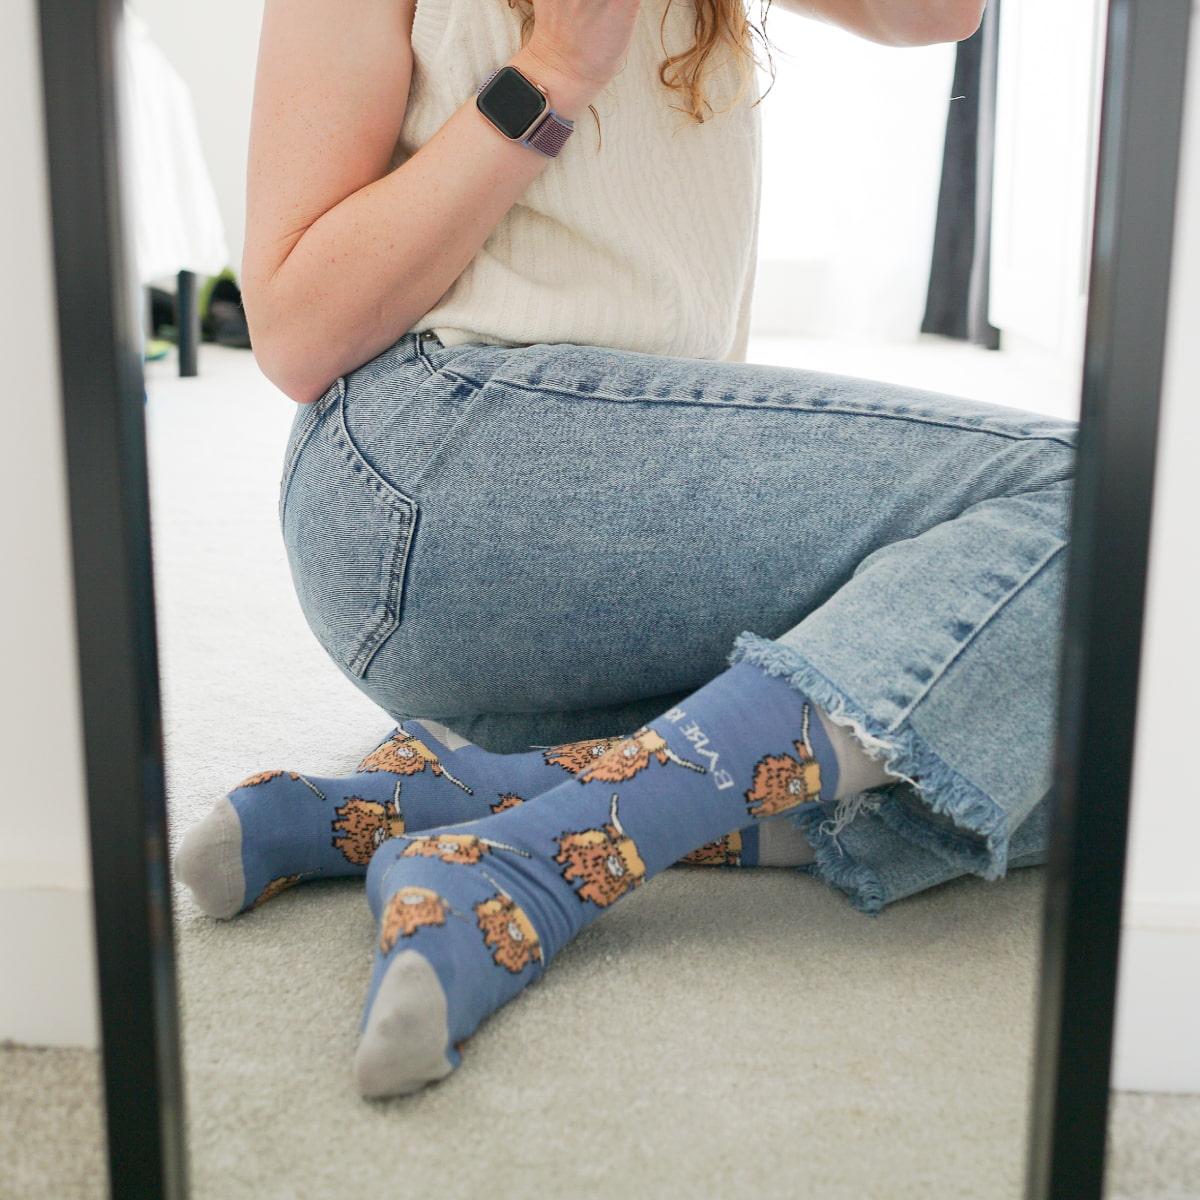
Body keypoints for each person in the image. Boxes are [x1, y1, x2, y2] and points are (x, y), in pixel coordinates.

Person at [176, 0, 1074, 1098]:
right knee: (1103, 501)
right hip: (438, 463)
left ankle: (484, 799)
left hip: (620, 580)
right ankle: (551, 858)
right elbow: (297, 330)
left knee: (1096, 722)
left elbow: (938, 11)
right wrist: (553, 68)